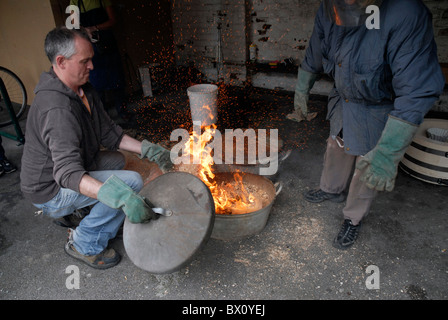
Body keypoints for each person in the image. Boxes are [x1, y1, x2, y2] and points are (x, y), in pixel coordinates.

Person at [290, 0, 445, 249]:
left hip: (376, 104)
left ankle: (353, 217)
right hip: (343, 96)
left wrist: (388, 152)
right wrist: (302, 87)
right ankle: (331, 189)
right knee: (337, 143)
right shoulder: (330, 5)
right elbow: (317, 45)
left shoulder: (406, 12)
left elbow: (416, 88)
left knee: (368, 162)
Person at [20, 27, 173, 269]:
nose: (92, 66)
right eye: (85, 61)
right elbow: (68, 174)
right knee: (130, 183)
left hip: (70, 169)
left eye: (91, 59)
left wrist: (150, 149)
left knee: (115, 161)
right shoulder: (57, 110)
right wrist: (120, 198)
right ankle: (84, 243)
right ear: (61, 61)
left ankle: (86, 213)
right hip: (49, 187)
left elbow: (109, 133)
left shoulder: (83, 90)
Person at [70, 0, 128, 121]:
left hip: (107, 42)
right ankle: (103, 118)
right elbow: (73, 23)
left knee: (117, 79)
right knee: (96, 83)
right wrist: (85, 30)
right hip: (90, 45)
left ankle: (123, 112)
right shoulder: (75, 1)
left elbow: (112, 19)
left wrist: (95, 28)